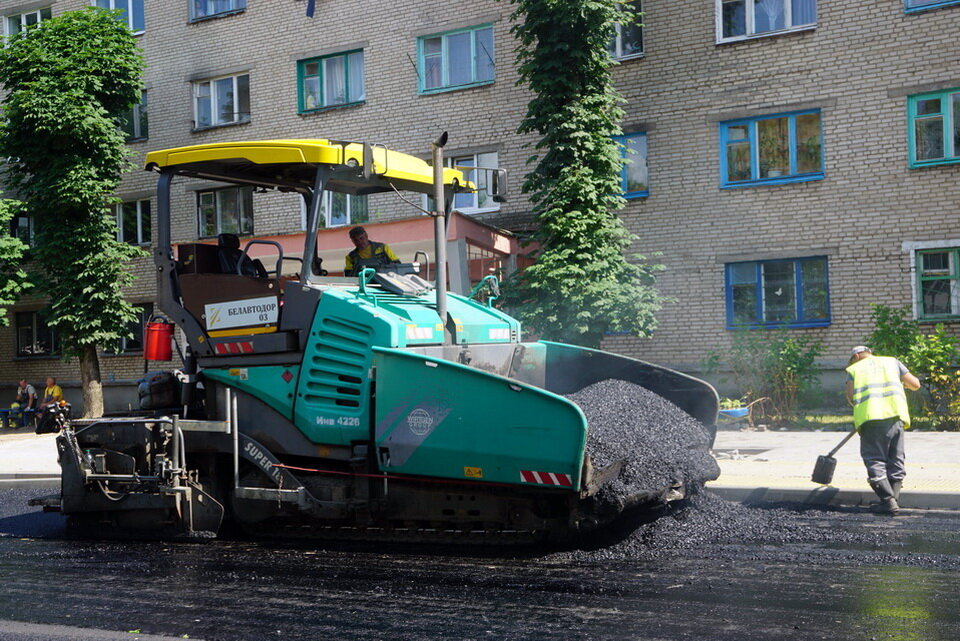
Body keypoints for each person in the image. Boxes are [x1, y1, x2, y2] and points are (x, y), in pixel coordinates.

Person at [845, 345, 921, 515]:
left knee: (875, 460)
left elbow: (851, 397)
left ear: (856, 356)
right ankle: (892, 500)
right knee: (895, 459)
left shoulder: (854, 369)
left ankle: (888, 502)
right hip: (896, 416)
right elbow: (915, 384)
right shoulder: (892, 362)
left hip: (871, 419)